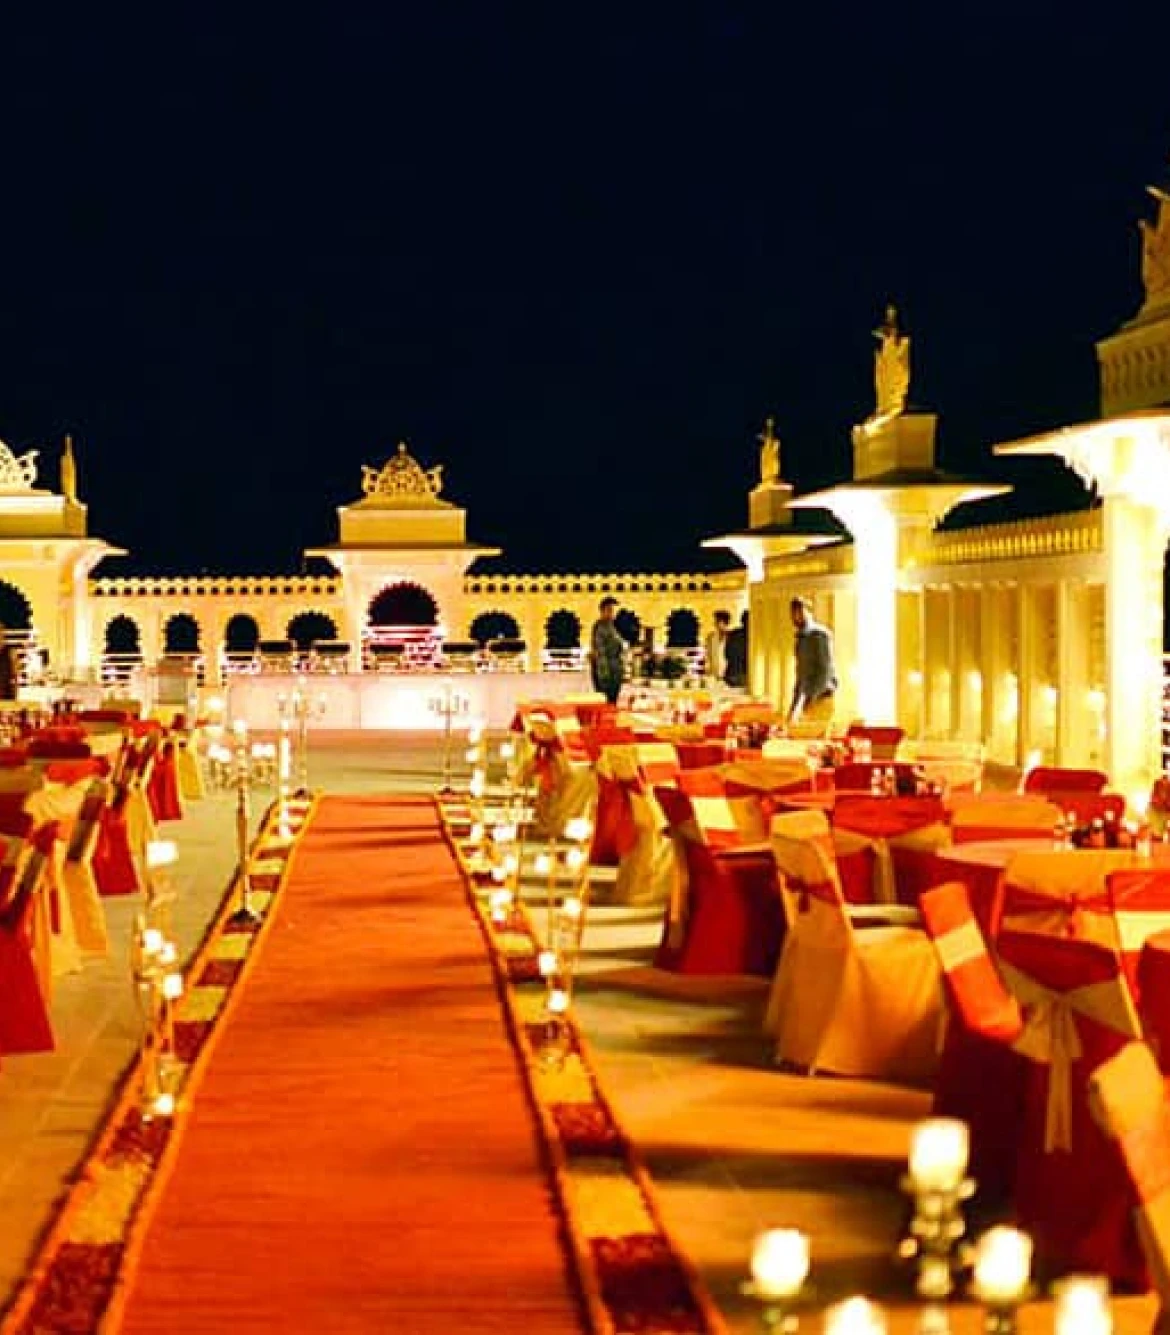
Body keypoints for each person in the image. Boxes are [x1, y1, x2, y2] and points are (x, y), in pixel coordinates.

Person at [787, 597, 837, 725]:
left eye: (800, 612)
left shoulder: (818, 635)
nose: (796, 617)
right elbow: (802, 674)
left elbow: (825, 669)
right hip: (808, 698)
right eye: (793, 613)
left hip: (822, 696)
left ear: (809, 612)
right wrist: (794, 706)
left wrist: (812, 697)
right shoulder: (800, 638)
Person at [589, 596, 626, 705]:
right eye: (610, 610)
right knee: (606, 704)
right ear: (603, 611)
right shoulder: (601, 628)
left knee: (612, 703)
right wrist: (604, 677)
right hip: (607, 674)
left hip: (614, 670)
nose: (612, 613)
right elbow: (601, 652)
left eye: (613, 610)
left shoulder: (610, 626)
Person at [704, 609, 732, 684]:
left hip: (728, 675)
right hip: (714, 676)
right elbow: (707, 655)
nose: (715, 624)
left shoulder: (732, 637)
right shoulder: (710, 637)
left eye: (717, 621)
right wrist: (708, 669)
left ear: (724, 622)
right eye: (715, 621)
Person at [723, 610, 748, 689]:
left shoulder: (733, 634)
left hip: (730, 673)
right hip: (745, 674)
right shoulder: (753, 636)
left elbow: (726, 654)